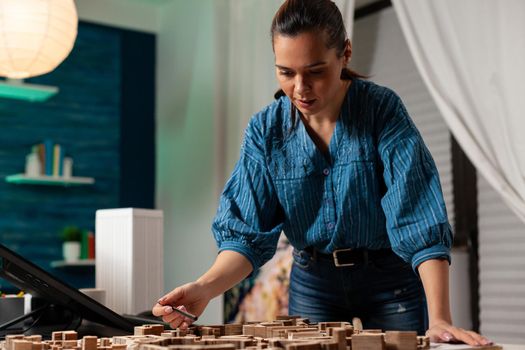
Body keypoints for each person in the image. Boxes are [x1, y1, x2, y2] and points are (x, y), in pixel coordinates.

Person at [153, 0, 490, 346]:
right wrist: (204, 288)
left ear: (344, 54)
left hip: (390, 281)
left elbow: (418, 217)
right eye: (286, 72)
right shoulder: (265, 131)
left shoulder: (382, 111)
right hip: (314, 282)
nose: (300, 88)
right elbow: (245, 236)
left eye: (315, 71)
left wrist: (440, 319)